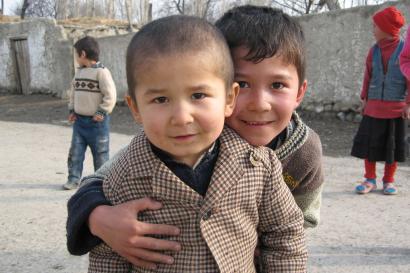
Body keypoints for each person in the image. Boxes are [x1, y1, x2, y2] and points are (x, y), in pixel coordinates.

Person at [66, 5, 322, 269]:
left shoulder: (302, 152)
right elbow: (100, 182)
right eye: (244, 83)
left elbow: (294, 226)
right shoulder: (168, 146)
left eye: (277, 85)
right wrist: (99, 218)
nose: (259, 104)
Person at [351, 6, 410, 195]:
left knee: (391, 146)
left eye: (375, 26)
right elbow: (368, 76)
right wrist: (364, 99)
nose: (373, 30)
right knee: (371, 144)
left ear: (386, 29)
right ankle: (370, 179)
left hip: (396, 108)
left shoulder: (405, 52)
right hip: (374, 107)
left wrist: (408, 104)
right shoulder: (373, 51)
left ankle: (388, 181)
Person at [63, 36, 117, 190]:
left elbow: (110, 95)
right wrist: (72, 110)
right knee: (75, 152)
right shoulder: (79, 73)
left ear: (83, 54)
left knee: (101, 154)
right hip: (79, 122)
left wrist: (102, 111)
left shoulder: (102, 73)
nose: (76, 57)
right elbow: (73, 93)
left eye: (76, 54)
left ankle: (102, 182)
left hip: (97, 123)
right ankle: (73, 179)